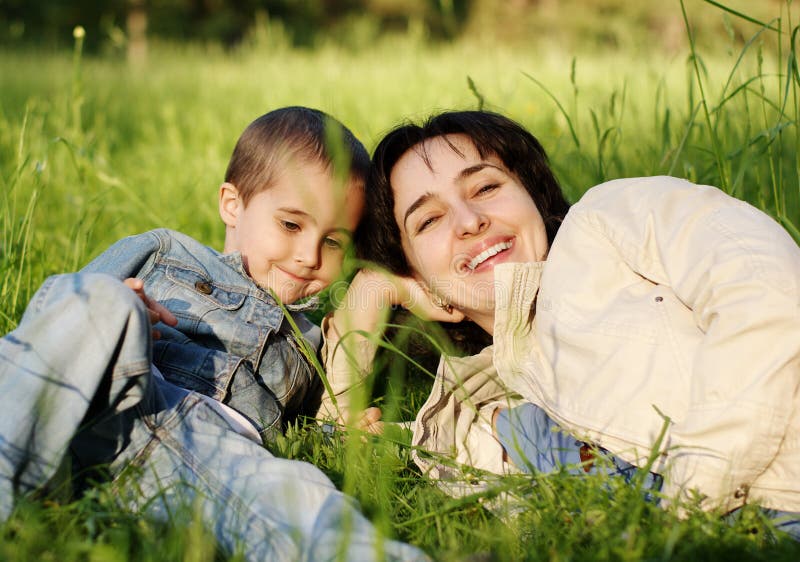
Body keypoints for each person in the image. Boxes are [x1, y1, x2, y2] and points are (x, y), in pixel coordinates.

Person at [323, 110, 800, 538]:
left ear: (533, 196)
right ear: (424, 286)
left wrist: (692, 497)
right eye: (428, 220)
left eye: (486, 187)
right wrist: (373, 287)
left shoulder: (606, 221)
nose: (469, 221)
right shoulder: (478, 405)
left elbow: (765, 284)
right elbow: (334, 431)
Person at [0, 106, 428, 561]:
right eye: (290, 224)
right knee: (103, 299)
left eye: (334, 241)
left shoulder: (310, 339)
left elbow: (302, 430)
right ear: (232, 204)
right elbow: (58, 318)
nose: (308, 255)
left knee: (297, 493)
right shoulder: (166, 251)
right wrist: (125, 304)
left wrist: (341, 427)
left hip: (196, 443)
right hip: (91, 387)